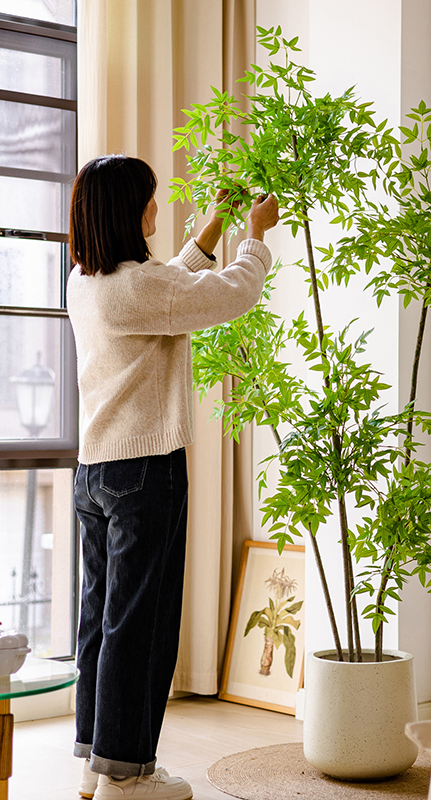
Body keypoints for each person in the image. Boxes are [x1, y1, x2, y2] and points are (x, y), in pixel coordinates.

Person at [66, 154, 279, 800]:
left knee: (102, 622)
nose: (157, 208)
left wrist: (210, 229)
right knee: (143, 625)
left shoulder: (86, 281)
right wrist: (256, 239)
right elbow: (228, 296)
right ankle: (128, 778)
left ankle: (97, 761)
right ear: (128, 212)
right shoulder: (136, 289)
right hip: (143, 473)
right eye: (150, 199)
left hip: (95, 472)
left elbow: (165, 289)